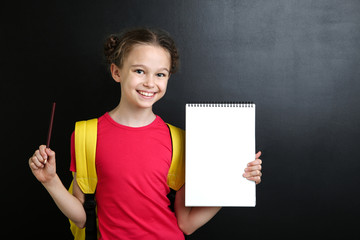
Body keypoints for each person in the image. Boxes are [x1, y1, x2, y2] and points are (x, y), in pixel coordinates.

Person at [28, 28, 263, 239]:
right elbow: (82, 217)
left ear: (168, 78)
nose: (150, 83)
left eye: (160, 74)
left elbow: (187, 224)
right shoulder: (86, 134)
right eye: (140, 71)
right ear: (116, 72)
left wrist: (235, 184)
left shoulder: (179, 140)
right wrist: (51, 181)